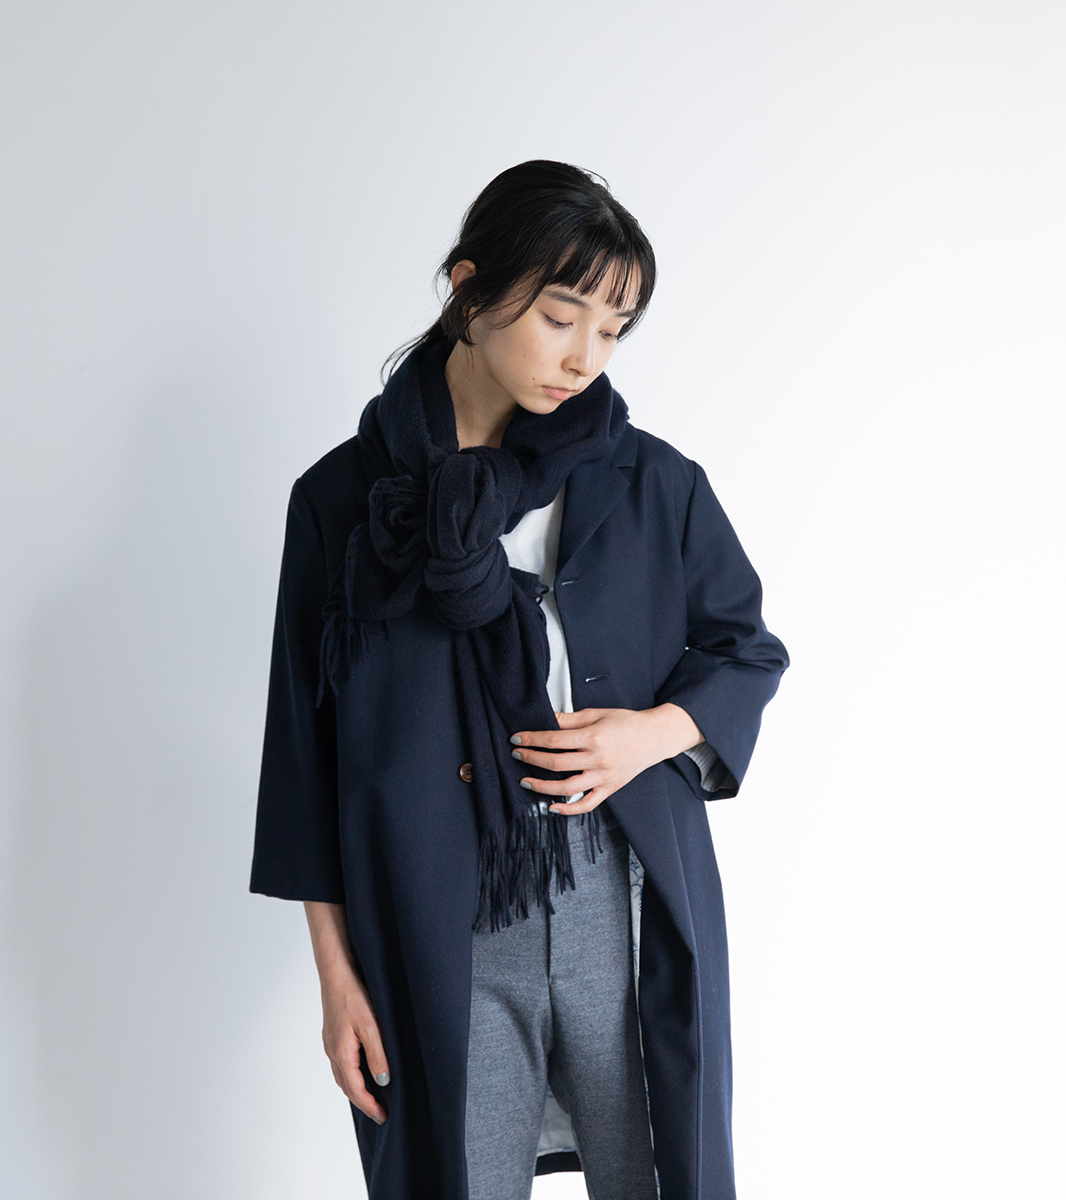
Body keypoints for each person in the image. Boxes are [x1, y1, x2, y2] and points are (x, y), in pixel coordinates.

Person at [250, 160, 788, 1200]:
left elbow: (746, 649)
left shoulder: (651, 480)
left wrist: (645, 735)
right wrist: (336, 978)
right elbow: (303, 756)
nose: (586, 357)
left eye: (614, 330)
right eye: (560, 316)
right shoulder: (344, 502)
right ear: (470, 289)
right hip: (434, 917)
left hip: (621, 899)